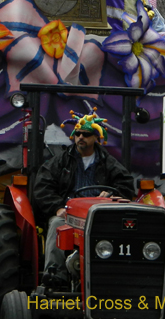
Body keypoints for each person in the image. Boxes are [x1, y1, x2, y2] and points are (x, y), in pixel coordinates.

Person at [33, 110, 135, 287]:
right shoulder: (61, 161)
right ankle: (55, 275)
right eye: (78, 133)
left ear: (96, 137)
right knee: (57, 223)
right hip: (69, 215)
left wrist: (112, 194)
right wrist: (57, 207)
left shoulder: (108, 162)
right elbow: (43, 186)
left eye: (86, 134)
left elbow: (126, 185)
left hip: (100, 217)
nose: (81, 137)